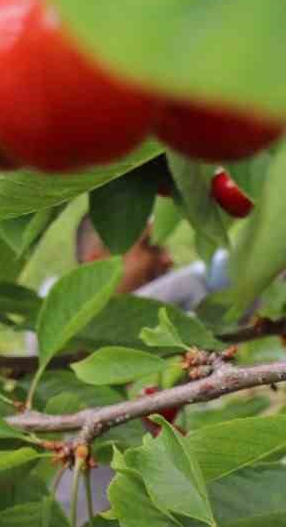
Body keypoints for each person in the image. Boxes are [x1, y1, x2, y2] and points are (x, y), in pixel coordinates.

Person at [40, 216, 232, 524]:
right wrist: (203, 279)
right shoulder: (48, 316)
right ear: (98, 262)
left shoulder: (167, 332)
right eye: (150, 247)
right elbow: (110, 327)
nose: (168, 259)